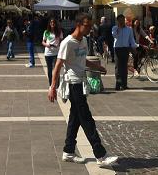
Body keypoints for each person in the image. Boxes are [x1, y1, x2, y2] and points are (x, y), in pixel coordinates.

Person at [47, 13, 118, 168]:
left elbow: (82, 59)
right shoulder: (68, 42)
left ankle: (68, 151)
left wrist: (97, 66)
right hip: (72, 83)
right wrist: (52, 87)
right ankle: (100, 155)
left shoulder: (84, 40)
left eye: (90, 25)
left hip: (81, 81)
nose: (90, 28)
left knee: (75, 118)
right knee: (86, 118)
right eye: (87, 25)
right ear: (78, 24)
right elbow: (58, 65)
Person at [112, 14, 136, 91]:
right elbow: (115, 36)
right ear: (117, 21)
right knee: (118, 67)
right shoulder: (114, 28)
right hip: (117, 49)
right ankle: (118, 84)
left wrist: (134, 47)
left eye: (123, 20)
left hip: (125, 48)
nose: (122, 21)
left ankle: (124, 84)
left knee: (124, 67)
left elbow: (131, 39)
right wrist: (119, 28)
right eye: (120, 20)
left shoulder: (129, 29)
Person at [42, 18, 63, 86]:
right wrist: (46, 45)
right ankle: (51, 84)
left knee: (56, 69)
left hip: (56, 53)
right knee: (49, 69)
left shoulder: (59, 32)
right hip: (48, 53)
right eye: (51, 22)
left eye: (54, 22)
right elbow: (43, 42)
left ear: (56, 23)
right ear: (49, 24)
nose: (52, 24)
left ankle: (57, 84)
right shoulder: (46, 32)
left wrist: (58, 44)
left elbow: (62, 41)